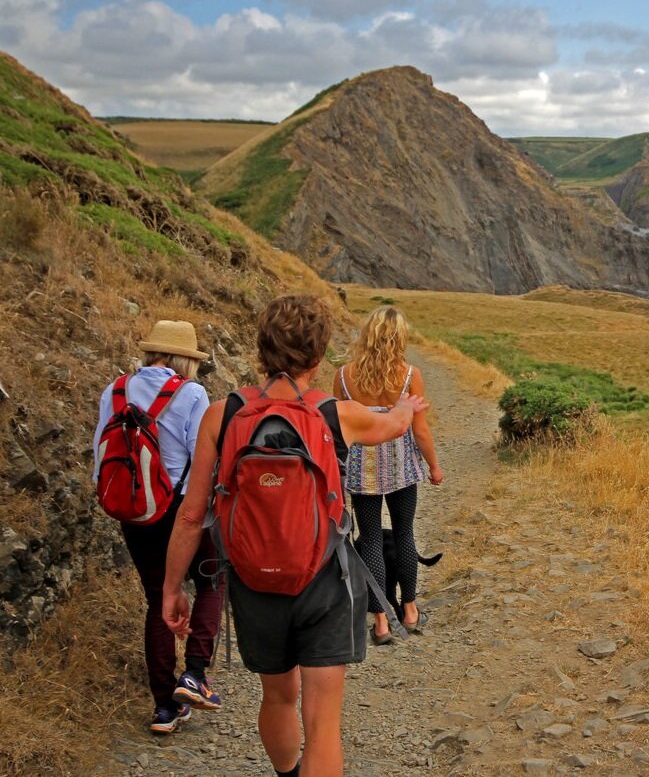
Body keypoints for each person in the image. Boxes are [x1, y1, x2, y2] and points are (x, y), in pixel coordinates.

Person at [162, 294, 427, 777]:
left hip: (252, 579)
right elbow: (392, 425)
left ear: (261, 350)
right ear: (319, 355)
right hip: (323, 579)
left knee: (278, 697)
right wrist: (407, 408)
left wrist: (171, 587)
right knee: (323, 721)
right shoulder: (334, 414)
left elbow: (190, 514)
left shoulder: (223, 414)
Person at [92, 319, 223, 735]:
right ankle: (196, 674)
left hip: (134, 508)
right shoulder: (192, 393)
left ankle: (165, 707)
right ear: (185, 358)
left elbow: (99, 454)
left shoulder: (114, 390)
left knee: (157, 598)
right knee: (211, 580)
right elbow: (205, 458)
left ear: (151, 352)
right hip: (182, 510)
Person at [333, 305, 443, 645]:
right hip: (401, 467)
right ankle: (409, 611)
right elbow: (420, 431)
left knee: (371, 539)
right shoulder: (410, 376)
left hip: (362, 467)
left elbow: (338, 429)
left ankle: (381, 621)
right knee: (404, 533)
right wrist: (434, 466)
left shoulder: (342, 377)